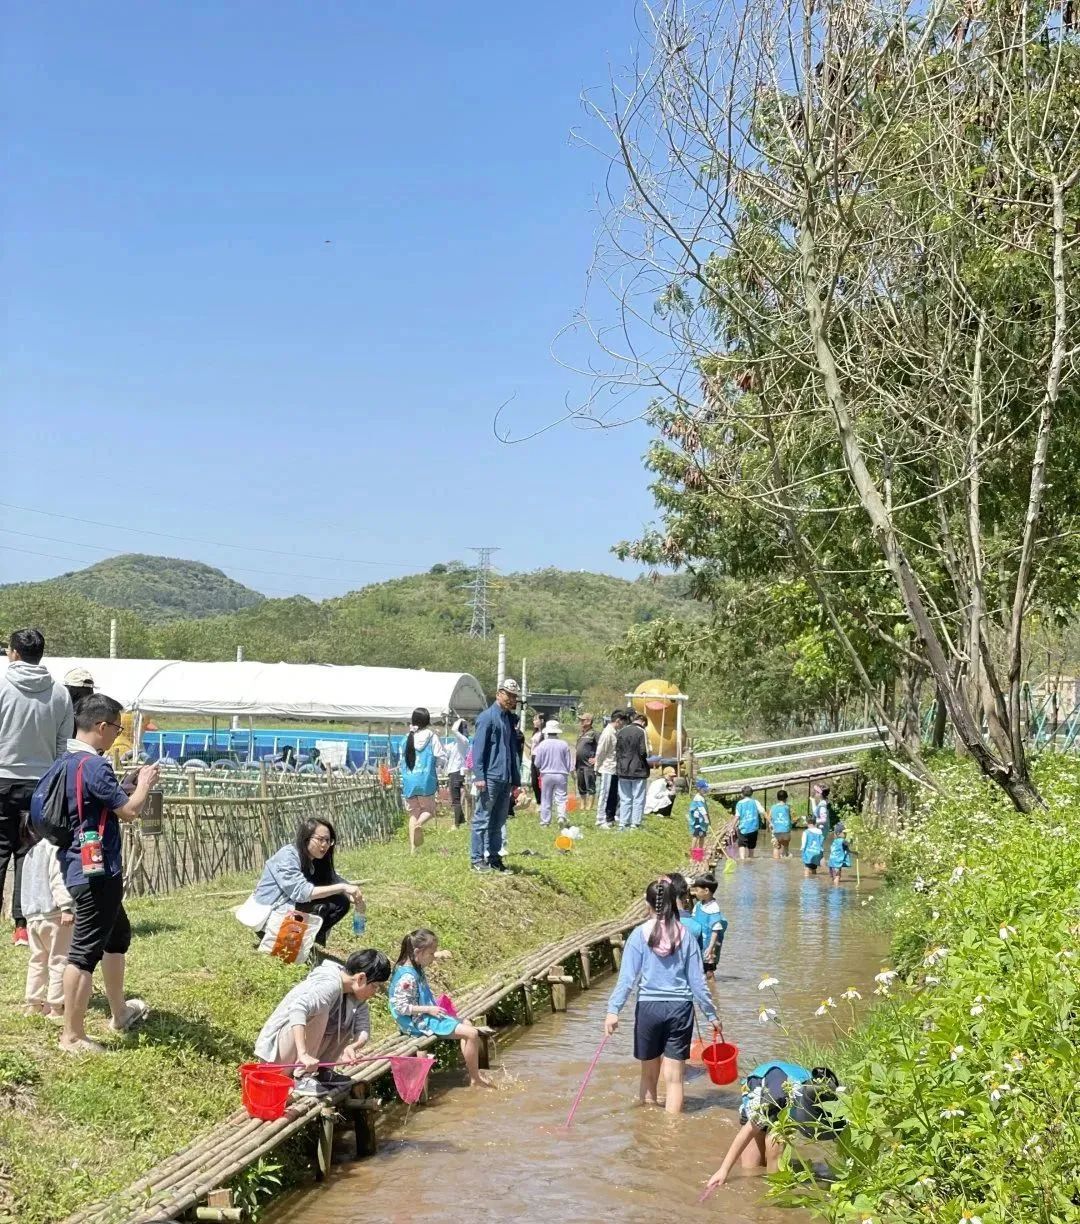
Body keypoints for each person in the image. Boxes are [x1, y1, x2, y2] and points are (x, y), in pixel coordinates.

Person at [48, 694, 158, 1054]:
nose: (117, 734)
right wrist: (144, 783)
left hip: (78, 861)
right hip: (96, 870)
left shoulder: (67, 761)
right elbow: (129, 811)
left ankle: (119, 1011)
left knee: (117, 934)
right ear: (101, 726)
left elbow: (91, 804)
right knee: (83, 953)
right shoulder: (94, 766)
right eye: (116, 727)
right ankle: (72, 1036)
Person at [604, 876, 720, 1114]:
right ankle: (671, 1135)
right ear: (674, 901)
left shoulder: (639, 934)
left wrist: (613, 1011)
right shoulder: (686, 935)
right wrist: (711, 1015)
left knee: (648, 1075)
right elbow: (698, 982)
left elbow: (627, 979)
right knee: (675, 1079)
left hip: (649, 1008)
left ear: (648, 905)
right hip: (680, 1010)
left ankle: (648, 1130)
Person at [0, 629, 73, 946]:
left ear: (13, 652)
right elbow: (63, 746)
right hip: (42, 785)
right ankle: (22, 926)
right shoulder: (59, 693)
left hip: (1, 779)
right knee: (28, 855)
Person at [254, 948, 391, 1095]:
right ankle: (301, 1076)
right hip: (276, 1059)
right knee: (321, 1011)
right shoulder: (329, 985)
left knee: (345, 1018)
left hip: (298, 1059)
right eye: (375, 986)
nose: (375, 992)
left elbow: (363, 1028)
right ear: (361, 978)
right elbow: (298, 1010)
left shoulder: (354, 994)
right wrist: (303, 1053)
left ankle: (322, 1072)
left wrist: (353, 1046)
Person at [706, 1063, 842, 1189]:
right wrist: (723, 1170)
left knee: (776, 1146)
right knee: (750, 1168)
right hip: (762, 1086)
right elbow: (746, 1133)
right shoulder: (773, 1101)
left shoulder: (829, 1103)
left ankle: (775, 1185)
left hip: (793, 1090)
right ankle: (771, 1186)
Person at [389, 929, 491, 1087]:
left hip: (425, 1015)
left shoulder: (413, 962)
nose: (432, 957)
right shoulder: (407, 977)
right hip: (417, 1021)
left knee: (468, 1024)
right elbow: (401, 1007)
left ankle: (472, 1071)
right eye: (431, 953)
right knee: (471, 1034)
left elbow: (426, 957)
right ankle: (475, 1078)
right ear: (418, 952)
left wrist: (438, 954)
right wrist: (429, 1010)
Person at [252, 817, 364, 946]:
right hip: (267, 918)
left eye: (328, 840)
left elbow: (333, 879)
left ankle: (302, 943)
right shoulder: (287, 856)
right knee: (325, 904)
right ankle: (285, 943)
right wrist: (342, 888)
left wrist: (354, 897)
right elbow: (301, 892)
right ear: (306, 838)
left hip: (287, 912)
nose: (325, 845)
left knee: (341, 902)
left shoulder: (314, 859)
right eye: (320, 839)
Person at [21, 826, 74, 1019]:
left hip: (33, 917)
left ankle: (33, 1002)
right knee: (59, 959)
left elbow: (24, 885)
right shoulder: (54, 848)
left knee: (37, 960)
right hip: (54, 914)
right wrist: (66, 906)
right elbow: (57, 879)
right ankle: (56, 1005)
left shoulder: (30, 853)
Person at [470, 678, 521, 873]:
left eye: (514, 696)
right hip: (489, 777)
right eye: (508, 695)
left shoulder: (508, 719)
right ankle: (476, 859)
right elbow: (478, 750)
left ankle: (494, 858)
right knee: (482, 819)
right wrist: (479, 775)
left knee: (498, 821)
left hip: (504, 777)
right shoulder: (487, 717)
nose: (511, 699)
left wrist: (515, 780)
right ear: (499, 693)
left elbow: (511, 751)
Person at [400, 707, 446, 853]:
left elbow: (401, 758)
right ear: (427, 721)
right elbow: (441, 757)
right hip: (426, 779)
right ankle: (419, 824)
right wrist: (437, 767)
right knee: (429, 810)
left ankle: (413, 849)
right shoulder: (431, 736)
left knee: (413, 812)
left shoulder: (407, 737)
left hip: (408, 780)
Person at [532, 720, 573, 827]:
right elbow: (569, 763)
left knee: (546, 798)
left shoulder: (542, 745)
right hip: (561, 774)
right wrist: (569, 771)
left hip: (546, 774)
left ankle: (545, 821)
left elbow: (537, 762)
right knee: (561, 796)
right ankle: (561, 815)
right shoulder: (564, 744)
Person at [615, 710, 650, 830]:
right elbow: (644, 751)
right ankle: (635, 823)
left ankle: (623, 823)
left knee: (625, 798)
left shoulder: (622, 731)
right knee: (638, 798)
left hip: (623, 769)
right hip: (638, 770)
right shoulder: (642, 732)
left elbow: (617, 751)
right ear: (643, 722)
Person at [690, 875, 728, 976]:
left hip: (708, 944)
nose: (695, 893)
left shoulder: (713, 908)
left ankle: (712, 988)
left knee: (708, 970)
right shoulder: (699, 905)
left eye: (697, 890)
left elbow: (715, 930)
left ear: (706, 891)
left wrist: (711, 947)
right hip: (699, 942)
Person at [592, 710, 622, 828]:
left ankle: (609, 817)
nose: (622, 725)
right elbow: (601, 751)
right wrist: (597, 766)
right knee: (604, 794)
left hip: (613, 767)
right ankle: (600, 819)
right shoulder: (608, 733)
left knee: (612, 794)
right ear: (618, 721)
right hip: (607, 767)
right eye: (621, 723)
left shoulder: (615, 732)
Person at [444, 717, 470, 829]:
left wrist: (459, 720)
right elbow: (445, 749)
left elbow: (454, 729)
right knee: (456, 798)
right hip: (454, 772)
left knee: (456, 799)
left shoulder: (463, 740)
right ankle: (462, 819)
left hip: (456, 772)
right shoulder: (457, 742)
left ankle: (456, 824)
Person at [574, 713, 599, 813]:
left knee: (590, 785)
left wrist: (596, 758)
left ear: (589, 721)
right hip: (579, 764)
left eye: (583, 720)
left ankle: (589, 807)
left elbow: (601, 747)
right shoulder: (581, 734)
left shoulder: (594, 734)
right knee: (581, 785)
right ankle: (582, 805)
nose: (581, 722)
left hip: (588, 765)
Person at [735, 784, 765, 860]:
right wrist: (770, 822)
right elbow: (763, 812)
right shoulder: (755, 802)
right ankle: (751, 858)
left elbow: (737, 816)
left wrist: (731, 825)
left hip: (743, 828)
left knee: (742, 844)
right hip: (753, 828)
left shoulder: (739, 803)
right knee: (751, 846)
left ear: (742, 794)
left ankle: (742, 859)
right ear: (752, 793)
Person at [687, 778, 710, 853]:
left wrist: (707, 819)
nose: (705, 791)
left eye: (706, 789)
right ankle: (692, 851)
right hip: (697, 821)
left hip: (702, 821)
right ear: (699, 789)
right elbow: (701, 809)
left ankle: (700, 851)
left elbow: (705, 809)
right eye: (704, 789)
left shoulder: (702, 797)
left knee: (702, 835)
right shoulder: (697, 798)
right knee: (696, 835)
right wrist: (706, 818)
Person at [770, 789, 793, 859]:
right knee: (785, 846)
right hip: (786, 830)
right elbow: (789, 818)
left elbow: (770, 817)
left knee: (776, 847)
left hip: (776, 830)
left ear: (777, 798)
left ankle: (776, 864)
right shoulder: (787, 807)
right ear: (786, 798)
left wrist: (770, 826)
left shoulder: (773, 807)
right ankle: (785, 858)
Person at [528, 712, 545, 804]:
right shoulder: (536, 732)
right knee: (534, 781)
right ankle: (539, 800)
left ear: (542, 721)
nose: (534, 721)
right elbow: (532, 747)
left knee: (541, 780)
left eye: (536, 719)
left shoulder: (544, 733)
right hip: (533, 757)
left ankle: (543, 800)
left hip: (540, 758)